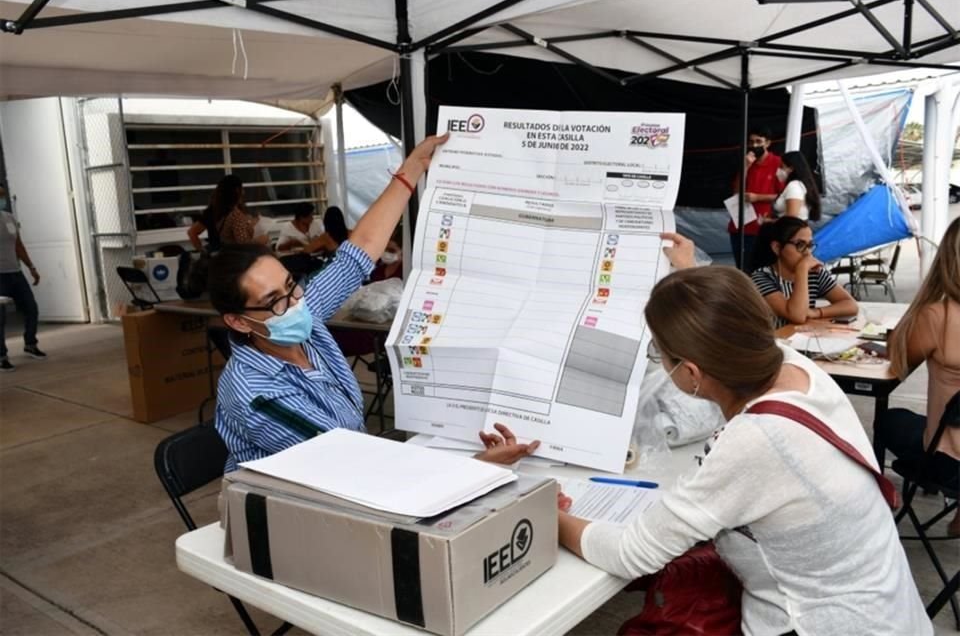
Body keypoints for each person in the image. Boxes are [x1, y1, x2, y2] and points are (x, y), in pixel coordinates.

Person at [552, 256, 931, 635]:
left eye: (659, 354)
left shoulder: (759, 438)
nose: (659, 362)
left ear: (691, 372)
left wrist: (550, 517)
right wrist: (690, 277)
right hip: (887, 612)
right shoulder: (795, 366)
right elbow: (723, 324)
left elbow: (630, 554)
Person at [209, 135, 536, 471]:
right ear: (238, 321)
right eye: (274, 300)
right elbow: (353, 465)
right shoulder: (257, 393)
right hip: (302, 503)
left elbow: (356, 255)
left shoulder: (299, 314)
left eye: (292, 286)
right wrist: (478, 465)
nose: (294, 305)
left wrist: (411, 170)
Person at [876, 216, 960, 536]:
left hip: (949, 464)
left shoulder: (937, 316)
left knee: (890, 419)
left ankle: (878, 511)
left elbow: (898, 365)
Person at [750, 216, 857, 328]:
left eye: (810, 245)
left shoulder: (814, 273)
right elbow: (797, 315)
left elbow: (851, 305)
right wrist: (801, 270)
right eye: (800, 245)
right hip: (774, 341)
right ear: (777, 247)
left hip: (800, 339)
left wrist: (817, 312)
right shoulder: (761, 277)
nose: (807, 253)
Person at [0, 185, 46, 371]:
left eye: (3, 195)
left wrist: (31, 267)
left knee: (31, 308)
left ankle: (30, 344)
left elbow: (18, 245)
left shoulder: (9, 218)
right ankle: (1, 356)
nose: (2, 198)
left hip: (15, 272)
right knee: (0, 318)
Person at [728, 126, 784, 272]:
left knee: (762, 271)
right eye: (751, 142)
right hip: (740, 225)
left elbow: (784, 196)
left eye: (759, 141)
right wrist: (746, 167)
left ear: (768, 143)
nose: (754, 146)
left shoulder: (778, 163)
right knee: (742, 270)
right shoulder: (746, 161)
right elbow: (736, 192)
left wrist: (757, 197)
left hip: (763, 227)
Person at [187, 175, 243, 252]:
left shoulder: (212, 211)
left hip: (217, 255)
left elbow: (192, 232)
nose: (243, 192)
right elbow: (242, 241)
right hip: (232, 255)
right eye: (242, 189)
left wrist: (204, 252)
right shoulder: (235, 213)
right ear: (237, 190)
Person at [773, 151, 822, 222]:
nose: (778, 170)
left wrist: (769, 221)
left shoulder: (794, 186)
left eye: (781, 167)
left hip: (791, 230)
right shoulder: (797, 184)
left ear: (791, 168)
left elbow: (791, 218)